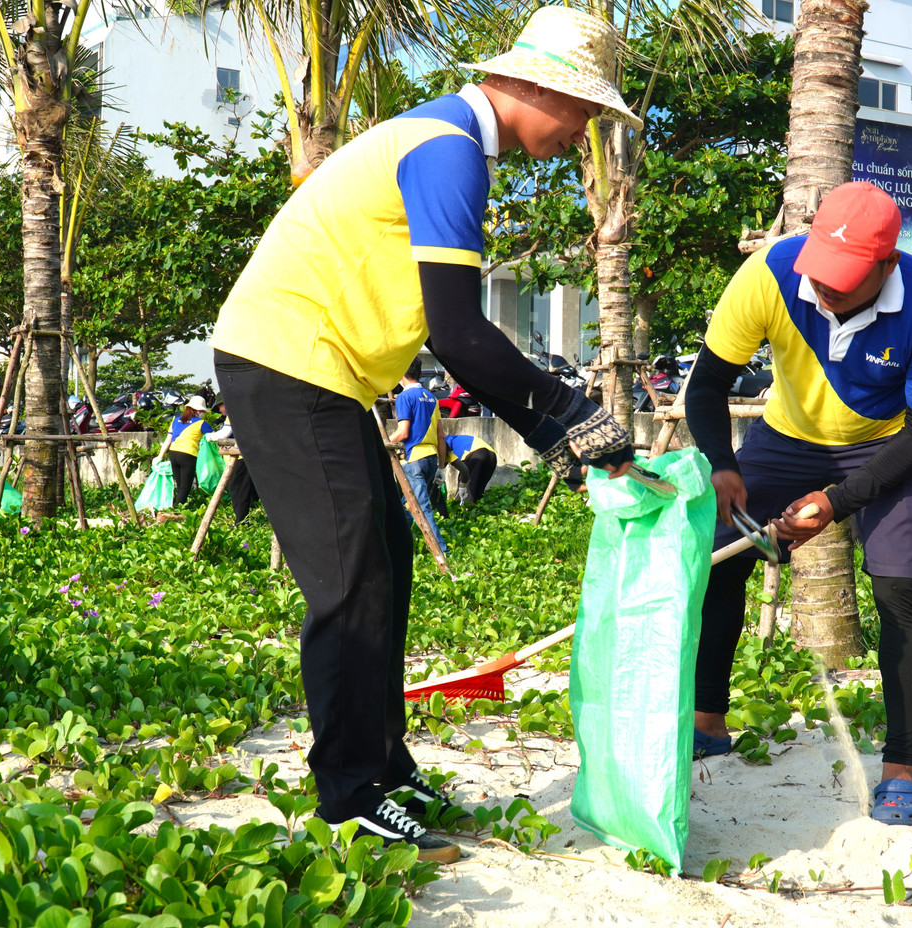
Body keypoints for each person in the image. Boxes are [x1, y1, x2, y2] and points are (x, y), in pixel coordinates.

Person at [209, 5, 636, 862]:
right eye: (583, 111)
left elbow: (451, 336)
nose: (581, 133)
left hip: (321, 370)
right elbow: (458, 332)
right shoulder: (448, 149)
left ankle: (384, 769)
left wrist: (553, 426)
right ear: (534, 88)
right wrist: (567, 415)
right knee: (350, 583)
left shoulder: (447, 140)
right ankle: (348, 800)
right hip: (287, 361)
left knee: (387, 563)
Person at [685, 182, 912, 827]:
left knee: (898, 591)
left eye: (844, 276)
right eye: (820, 269)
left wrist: (836, 502)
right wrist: (723, 465)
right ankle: (708, 722)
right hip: (786, 438)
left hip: (891, 445)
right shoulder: (771, 273)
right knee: (721, 558)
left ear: (887, 265)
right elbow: (706, 386)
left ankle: (899, 771)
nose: (824, 287)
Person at [390, 360, 447, 554]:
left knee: (420, 508)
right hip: (431, 458)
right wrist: (441, 467)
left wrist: (381, 443)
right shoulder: (432, 398)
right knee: (407, 505)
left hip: (414, 458)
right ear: (421, 374)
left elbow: (403, 432)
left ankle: (442, 552)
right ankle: (397, 546)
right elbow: (440, 436)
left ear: (401, 375)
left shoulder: (404, 397)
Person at [164, 395, 213, 507]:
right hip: (187, 454)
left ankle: (175, 507)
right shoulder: (201, 423)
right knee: (185, 486)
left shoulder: (175, 421)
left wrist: (160, 456)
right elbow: (214, 438)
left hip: (173, 453)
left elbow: (168, 439)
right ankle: (177, 509)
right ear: (198, 411)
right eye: (202, 411)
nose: (202, 414)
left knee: (180, 485)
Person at [445, 433, 498, 505]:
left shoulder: (442, 441)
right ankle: (477, 510)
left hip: (476, 453)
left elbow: (443, 454)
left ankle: (461, 509)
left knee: (465, 488)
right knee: (478, 490)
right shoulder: (453, 439)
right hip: (492, 455)